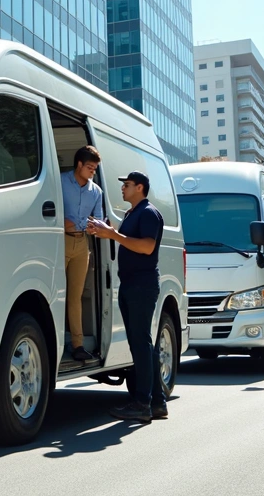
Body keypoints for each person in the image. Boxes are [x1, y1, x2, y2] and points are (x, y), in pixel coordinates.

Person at [87, 171, 167, 422]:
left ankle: (142, 403)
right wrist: (107, 230)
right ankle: (156, 403)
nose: (123, 188)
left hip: (142, 285)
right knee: (141, 344)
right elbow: (126, 240)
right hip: (131, 284)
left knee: (141, 344)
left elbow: (146, 247)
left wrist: (114, 235)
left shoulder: (149, 213)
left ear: (140, 187)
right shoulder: (132, 213)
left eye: (127, 185)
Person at [61, 146, 103, 362]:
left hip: (82, 245)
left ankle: (77, 345)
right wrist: (65, 222)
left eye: (94, 169)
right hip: (58, 242)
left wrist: (96, 226)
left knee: (75, 296)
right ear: (79, 165)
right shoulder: (59, 182)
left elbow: (99, 220)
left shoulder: (96, 192)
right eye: (89, 167)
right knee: (55, 294)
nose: (92, 172)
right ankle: (56, 342)